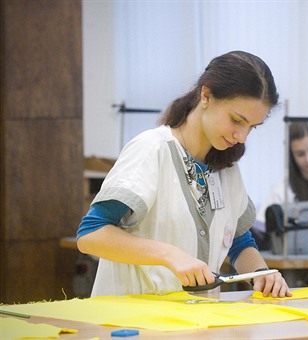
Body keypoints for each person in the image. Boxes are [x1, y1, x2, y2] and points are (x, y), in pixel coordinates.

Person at [76, 51, 291, 298]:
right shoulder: (152, 150)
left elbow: (238, 242)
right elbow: (91, 235)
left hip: (196, 326)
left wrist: (262, 274)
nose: (241, 137)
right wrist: (170, 255)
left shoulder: (228, 169)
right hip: (131, 327)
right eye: (236, 120)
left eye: (252, 127)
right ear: (206, 95)